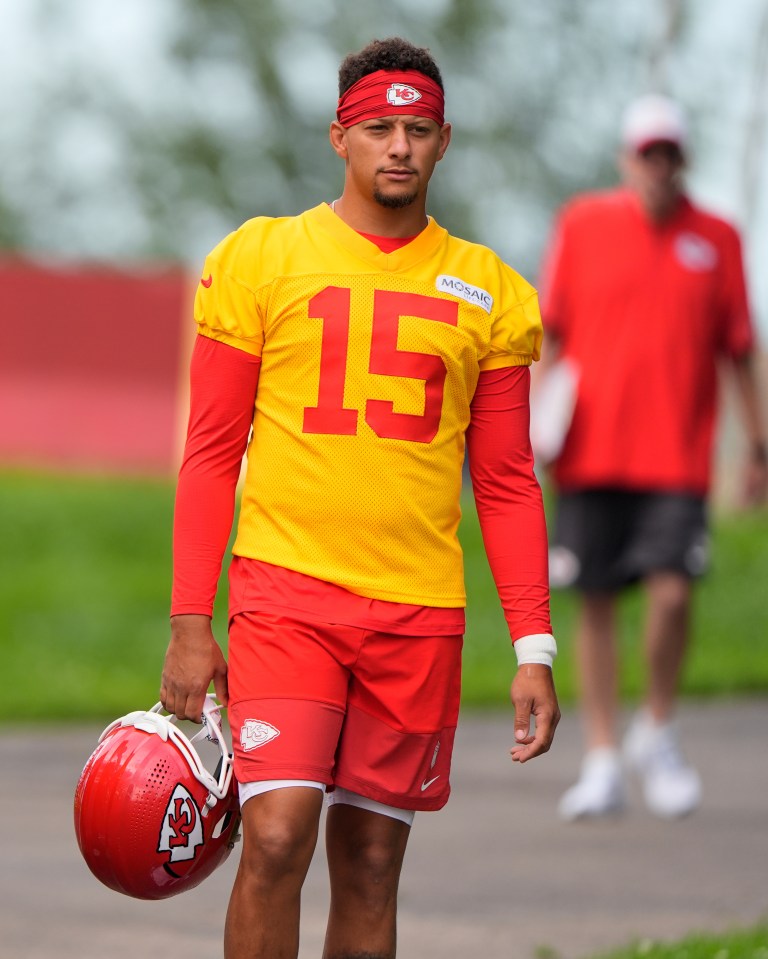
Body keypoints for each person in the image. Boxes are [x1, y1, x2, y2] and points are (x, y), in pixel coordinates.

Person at [160, 36, 560, 959]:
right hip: (287, 595)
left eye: (418, 131)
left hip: (417, 613)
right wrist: (189, 620)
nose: (399, 147)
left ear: (444, 141)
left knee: (373, 863)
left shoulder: (491, 292)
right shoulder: (263, 258)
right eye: (378, 128)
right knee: (274, 835)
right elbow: (211, 451)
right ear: (339, 137)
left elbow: (506, 481)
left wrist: (533, 646)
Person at [535, 93, 767, 822]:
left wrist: (757, 447)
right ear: (626, 159)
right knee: (596, 600)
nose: (658, 166)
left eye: (668, 153)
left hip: (676, 456)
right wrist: (533, 429)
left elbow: (740, 348)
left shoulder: (717, 238)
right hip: (590, 451)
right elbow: (549, 334)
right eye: (647, 153)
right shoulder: (582, 224)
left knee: (672, 593)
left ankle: (656, 728)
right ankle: (603, 754)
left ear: (682, 159)